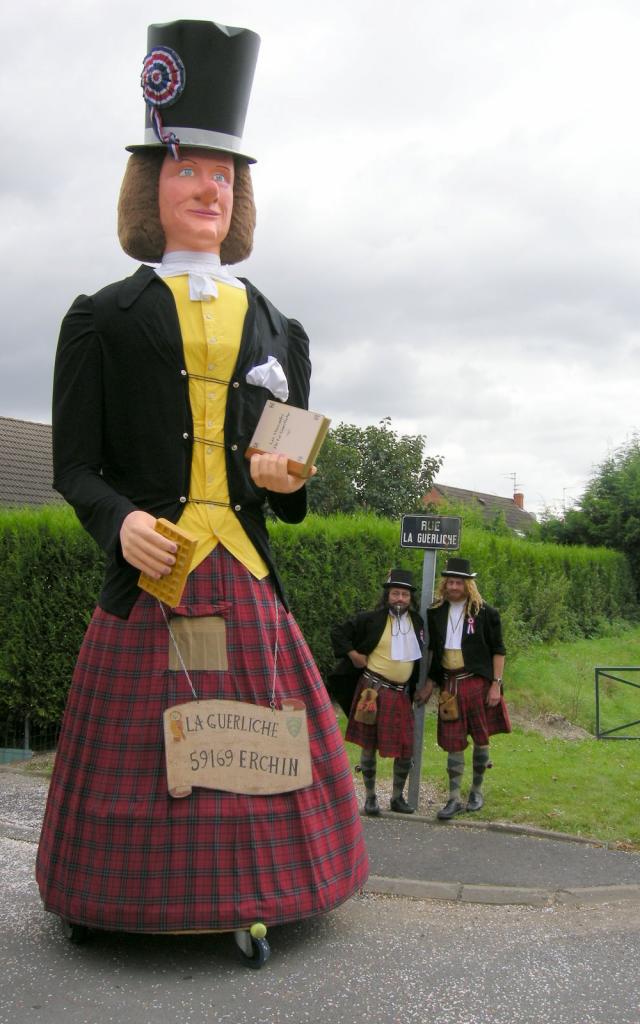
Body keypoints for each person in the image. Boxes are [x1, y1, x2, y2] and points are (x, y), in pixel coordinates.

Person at [36, 19, 368, 939]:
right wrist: (121, 522)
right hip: (154, 579)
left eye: (225, 175)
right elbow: (74, 467)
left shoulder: (280, 328)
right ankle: (118, 906)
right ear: (153, 186)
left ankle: (262, 903)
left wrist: (285, 475)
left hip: (246, 572)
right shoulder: (100, 319)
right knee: (141, 755)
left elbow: (289, 493)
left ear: (241, 195)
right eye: (189, 170)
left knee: (256, 749)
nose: (208, 188)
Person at [415, 557, 510, 819]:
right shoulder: (436, 613)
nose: (454, 586)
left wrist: (496, 685)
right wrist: (430, 685)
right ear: (444, 584)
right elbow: (434, 653)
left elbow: (498, 650)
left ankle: (476, 791)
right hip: (450, 685)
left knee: (481, 738)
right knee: (453, 741)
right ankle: (454, 798)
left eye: (459, 582)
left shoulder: (485, 612)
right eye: (450, 582)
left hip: (477, 682)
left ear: (468, 585)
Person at [328, 569, 423, 816]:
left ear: (410, 597)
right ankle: (370, 798)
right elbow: (338, 632)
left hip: (401, 694)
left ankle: (397, 797)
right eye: (395, 594)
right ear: (387, 596)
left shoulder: (417, 622)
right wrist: (354, 655)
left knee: (405, 747)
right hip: (373, 690)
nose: (400, 598)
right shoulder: (371, 619)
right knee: (368, 744)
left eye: (404, 594)